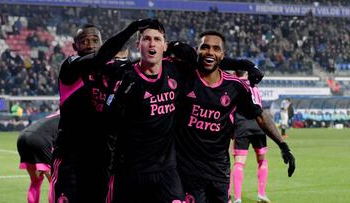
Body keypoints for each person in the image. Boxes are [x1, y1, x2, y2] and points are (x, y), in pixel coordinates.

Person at [174, 31, 295, 203]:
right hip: (188, 171)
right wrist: (246, 64)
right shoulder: (184, 75)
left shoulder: (234, 86)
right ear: (197, 51)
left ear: (222, 55)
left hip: (219, 172)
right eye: (205, 47)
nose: (210, 52)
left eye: (216, 49)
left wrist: (283, 145)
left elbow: (260, 115)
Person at [51, 20, 156, 203]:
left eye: (95, 40)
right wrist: (132, 28)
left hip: (101, 160)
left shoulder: (110, 72)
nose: (90, 45)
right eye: (84, 41)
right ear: (75, 46)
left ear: (101, 42)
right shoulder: (71, 67)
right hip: (71, 158)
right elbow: (100, 57)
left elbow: (136, 67)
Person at [109, 20, 187, 203]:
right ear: (138, 45)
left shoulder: (174, 69)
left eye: (157, 39)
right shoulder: (127, 77)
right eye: (146, 39)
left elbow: (207, 64)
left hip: (166, 170)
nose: (152, 43)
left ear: (165, 46)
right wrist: (120, 97)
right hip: (131, 170)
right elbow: (110, 122)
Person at [231, 70, 270, 203]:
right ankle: (262, 194)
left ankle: (237, 198)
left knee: (239, 163)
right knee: (262, 160)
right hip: (259, 124)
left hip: (242, 125)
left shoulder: (234, 85)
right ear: (247, 74)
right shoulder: (255, 87)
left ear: (236, 73)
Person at [17, 111, 60, 203]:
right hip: (39, 140)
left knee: (35, 180)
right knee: (55, 182)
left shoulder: (56, 114)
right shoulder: (69, 118)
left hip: (22, 137)